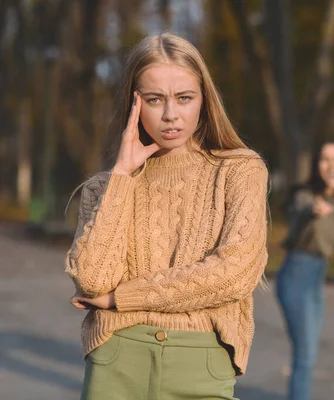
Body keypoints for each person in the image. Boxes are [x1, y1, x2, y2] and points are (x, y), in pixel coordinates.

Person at [66, 33, 268, 400]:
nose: (171, 115)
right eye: (155, 100)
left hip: (202, 361)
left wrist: (121, 299)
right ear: (134, 104)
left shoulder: (239, 170)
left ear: (204, 100)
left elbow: (234, 274)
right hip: (117, 359)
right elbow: (94, 279)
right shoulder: (105, 187)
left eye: (184, 98)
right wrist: (122, 176)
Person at [276, 141, 334, 400]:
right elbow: (302, 206)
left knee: (308, 354)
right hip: (296, 278)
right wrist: (313, 209)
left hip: (316, 278)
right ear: (316, 165)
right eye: (325, 159)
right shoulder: (306, 194)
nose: (332, 165)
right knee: (305, 356)